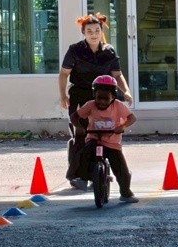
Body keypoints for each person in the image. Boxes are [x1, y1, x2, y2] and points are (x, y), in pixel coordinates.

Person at [59, 13, 133, 188]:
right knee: (82, 134)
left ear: (101, 31)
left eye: (97, 30)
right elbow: (64, 74)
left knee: (103, 133)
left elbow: (117, 75)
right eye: (89, 31)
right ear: (83, 32)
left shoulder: (109, 51)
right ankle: (78, 175)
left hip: (103, 98)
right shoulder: (75, 50)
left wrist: (126, 91)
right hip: (80, 95)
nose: (93, 34)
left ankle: (99, 172)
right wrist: (63, 96)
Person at [70, 75, 139, 203]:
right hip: (94, 138)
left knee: (122, 171)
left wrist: (122, 126)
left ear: (113, 97)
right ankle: (83, 179)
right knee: (85, 153)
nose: (101, 102)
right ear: (94, 95)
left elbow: (132, 118)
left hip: (112, 142)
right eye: (98, 98)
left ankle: (125, 193)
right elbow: (74, 116)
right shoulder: (90, 105)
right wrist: (79, 127)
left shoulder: (118, 106)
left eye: (105, 99)